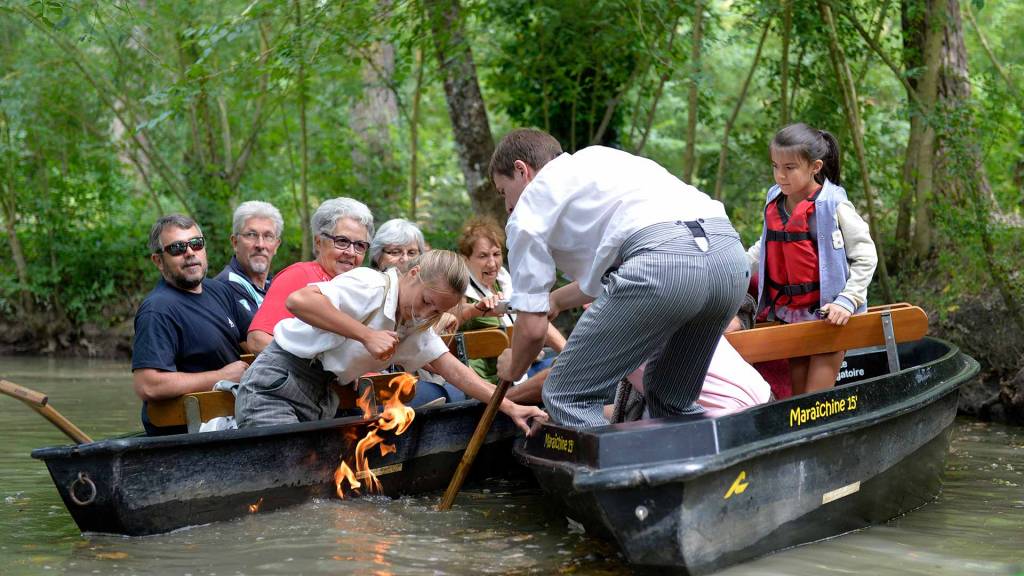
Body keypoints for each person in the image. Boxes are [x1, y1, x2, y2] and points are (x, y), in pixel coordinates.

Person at [490, 128, 749, 429]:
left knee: (567, 394)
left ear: (522, 170)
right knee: (669, 397)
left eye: (503, 192)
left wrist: (513, 366)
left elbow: (533, 331)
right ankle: (698, 472)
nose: (507, 206)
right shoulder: (602, 160)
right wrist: (557, 300)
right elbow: (632, 260)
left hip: (664, 266)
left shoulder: (528, 211)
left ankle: (620, 476)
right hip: (728, 259)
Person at [235, 250, 547, 434]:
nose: (426, 313)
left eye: (437, 310)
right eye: (426, 300)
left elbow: (454, 370)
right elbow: (299, 300)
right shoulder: (371, 284)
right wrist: (366, 335)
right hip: (277, 385)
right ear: (414, 273)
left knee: (304, 491)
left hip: (323, 395)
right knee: (282, 487)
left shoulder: (415, 325)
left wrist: (510, 407)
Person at [747, 123, 878, 395]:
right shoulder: (775, 198)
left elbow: (866, 255)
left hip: (830, 318)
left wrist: (847, 300)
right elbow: (765, 247)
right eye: (775, 166)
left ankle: (824, 436)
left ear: (815, 167)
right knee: (797, 400)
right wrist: (734, 268)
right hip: (792, 317)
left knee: (814, 400)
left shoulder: (834, 205)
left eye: (790, 168)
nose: (780, 175)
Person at [132, 214, 251, 435]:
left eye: (196, 244)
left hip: (233, 415)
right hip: (189, 430)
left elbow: (253, 341)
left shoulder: (219, 290)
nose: (190, 253)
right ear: (158, 261)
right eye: (177, 248)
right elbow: (148, 384)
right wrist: (220, 377)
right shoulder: (158, 310)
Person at [247, 197, 374, 354]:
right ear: (319, 242)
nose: (351, 252)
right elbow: (258, 340)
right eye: (342, 241)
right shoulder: (299, 275)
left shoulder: (363, 287)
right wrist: (313, 371)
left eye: (360, 245)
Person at [453, 216, 565, 383]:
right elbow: (449, 316)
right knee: (553, 378)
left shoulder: (504, 281)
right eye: (483, 256)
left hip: (522, 368)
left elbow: (533, 317)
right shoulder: (459, 289)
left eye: (496, 254)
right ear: (465, 259)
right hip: (490, 381)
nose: (492, 263)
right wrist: (474, 309)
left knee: (562, 369)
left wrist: (568, 354)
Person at [215, 200, 283, 322]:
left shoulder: (274, 288)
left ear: (276, 246)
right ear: (235, 242)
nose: (260, 245)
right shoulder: (224, 288)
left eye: (268, 236)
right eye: (251, 235)